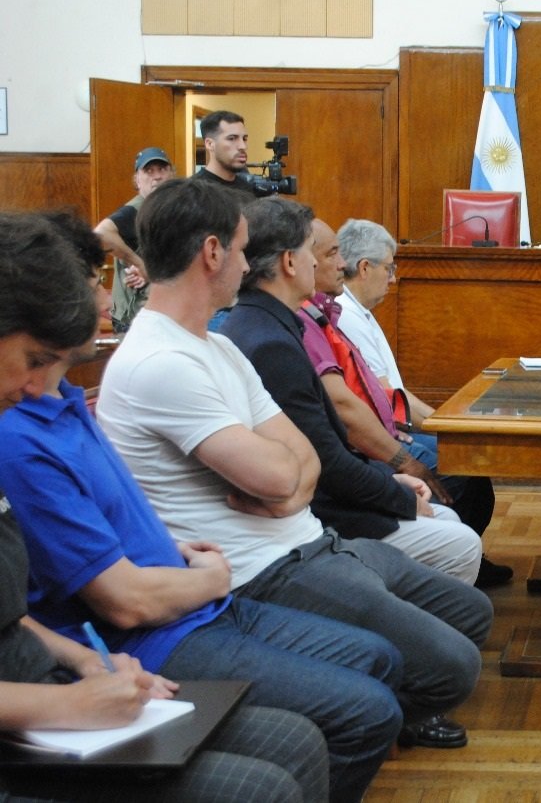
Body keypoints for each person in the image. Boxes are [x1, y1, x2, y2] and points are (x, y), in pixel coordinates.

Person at [6, 210, 405, 802]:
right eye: (37, 359)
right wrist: (208, 580)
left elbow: (14, 618)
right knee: (316, 742)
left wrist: (88, 661)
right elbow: (125, 602)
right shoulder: (20, 431)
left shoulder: (57, 399)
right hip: (165, 616)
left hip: (164, 604)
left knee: (359, 686)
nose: (102, 295)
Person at [95, 178, 493, 751]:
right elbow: (288, 473)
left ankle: (364, 699)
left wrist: (288, 486)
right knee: (448, 665)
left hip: (308, 539)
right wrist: (288, 484)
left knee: (468, 615)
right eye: (239, 246)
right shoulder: (162, 360)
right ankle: (358, 715)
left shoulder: (221, 345)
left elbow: (302, 462)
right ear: (213, 253)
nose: (247, 261)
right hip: (261, 570)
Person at [217, 198, 481, 583]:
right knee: (460, 541)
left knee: (450, 519)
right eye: (316, 252)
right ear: (290, 262)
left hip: (327, 492)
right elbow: (325, 458)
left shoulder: (270, 324)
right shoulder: (272, 341)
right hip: (321, 514)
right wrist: (397, 491)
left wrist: (390, 479)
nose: (333, 264)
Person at [330, 219, 510, 586]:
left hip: (394, 425)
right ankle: (445, 565)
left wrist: (450, 427)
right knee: (462, 468)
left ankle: (466, 558)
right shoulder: (345, 314)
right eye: (389, 267)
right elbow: (385, 398)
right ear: (365, 267)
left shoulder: (359, 311)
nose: (394, 278)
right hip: (383, 437)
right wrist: (450, 428)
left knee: (469, 464)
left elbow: (392, 392)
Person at [93, 146, 173, 333]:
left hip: (164, 314)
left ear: (171, 174)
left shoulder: (171, 209)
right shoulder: (135, 210)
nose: (157, 176)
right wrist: (141, 265)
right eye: (149, 171)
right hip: (135, 319)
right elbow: (101, 234)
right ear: (137, 179)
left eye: (162, 169)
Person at [192, 110, 255, 195]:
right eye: (232, 138)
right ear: (210, 144)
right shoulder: (194, 191)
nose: (243, 146)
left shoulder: (247, 188)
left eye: (244, 139)